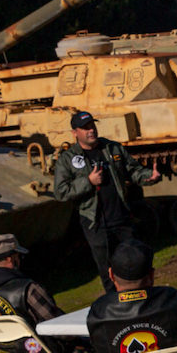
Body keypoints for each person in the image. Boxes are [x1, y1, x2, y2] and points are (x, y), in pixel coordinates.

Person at [52, 110, 161, 292]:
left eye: (92, 126)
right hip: (95, 222)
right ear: (74, 133)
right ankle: (115, 307)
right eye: (85, 128)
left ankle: (143, 297)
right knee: (107, 269)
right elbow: (61, 192)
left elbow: (133, 171)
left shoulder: (112, 148)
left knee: (136, 260)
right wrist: (88, 182)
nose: (91, 131)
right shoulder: (68, 159)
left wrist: (150, 176)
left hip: (121, 217)